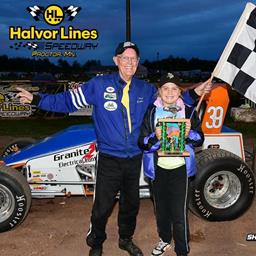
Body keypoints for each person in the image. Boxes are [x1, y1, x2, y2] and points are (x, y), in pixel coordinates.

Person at [16, 41, 212, 256]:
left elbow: (171, 99)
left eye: (133, 59)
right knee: (102, 206)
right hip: (109, 157)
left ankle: (125, 240)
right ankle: (96, 242)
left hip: (135, 158)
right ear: (116, 60)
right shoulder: (98, 85)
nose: (129, 62)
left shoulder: (145, 89)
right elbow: (67, 101)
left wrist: (194, 93)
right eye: (125, 58)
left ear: (138, 63)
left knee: (131, 205)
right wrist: (36, 99)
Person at [138, 72, 205, 256]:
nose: (169, 92)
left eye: (174, 88)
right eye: (165, 88)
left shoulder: (189, 111)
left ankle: (182, 249)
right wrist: (156, 137)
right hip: (157, 169)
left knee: (179, 211)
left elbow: (200, 139)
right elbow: (141, 142)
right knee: (161, 210)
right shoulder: (151, 111)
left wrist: (189, 134)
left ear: (180, 91)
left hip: (180, 169)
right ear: (159, 91)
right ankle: (165, 239)